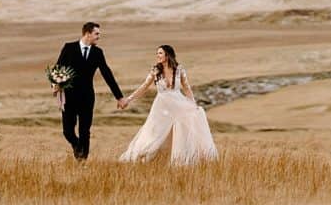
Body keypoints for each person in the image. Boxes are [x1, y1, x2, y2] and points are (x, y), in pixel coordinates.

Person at [118, 44, 218, 166]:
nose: (158, 56)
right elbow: (143, 87)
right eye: (157, 53)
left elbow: (186, 88)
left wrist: (193, 104)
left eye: (160, 53)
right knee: (155, 132)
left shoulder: (179, 69)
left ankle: (178, 160)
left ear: (167, 55)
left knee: (179, 130)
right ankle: (145, 155)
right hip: (161, 106)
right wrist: (129, 99)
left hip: (178, 103)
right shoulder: (155, 70)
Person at [53, 22, 126, 160]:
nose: (99, 37)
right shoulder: (69, 48)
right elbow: (57, 69)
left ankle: (82, 161)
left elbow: (107, 74)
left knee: (84, 131)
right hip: (69, 97)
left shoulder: (97, 53)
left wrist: (119, 97)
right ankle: (77, 146)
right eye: (96, 34)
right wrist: (56, 84)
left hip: (87, 97)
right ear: (87, 34)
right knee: (67, 131)